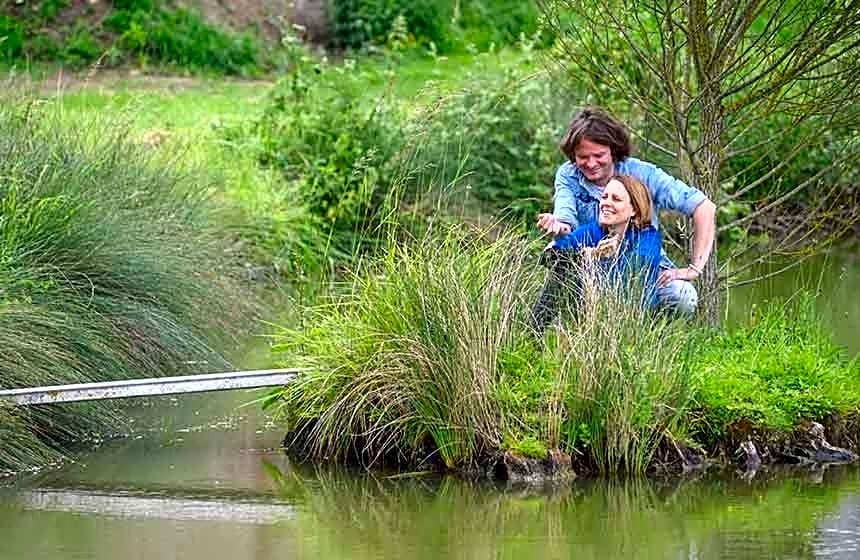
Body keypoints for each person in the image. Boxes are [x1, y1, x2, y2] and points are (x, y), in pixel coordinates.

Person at [536, 106, 716, 315]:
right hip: (590, 265)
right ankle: (540, 329)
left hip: (639, 271)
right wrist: (559, 226)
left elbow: (704, 206)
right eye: (583, 157)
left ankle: (648, 330)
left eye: (599, 155)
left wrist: (694, 269)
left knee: (682, 295)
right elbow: (565, 220)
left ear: (613, 150)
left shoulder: (643, 177)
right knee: (560, 262)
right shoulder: (569, 176)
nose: (591, 163)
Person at [530, 175, 662, 331]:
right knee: (563, 271)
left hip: (633, 320)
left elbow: (632, 280)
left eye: (616, 199)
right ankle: (533, 333)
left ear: (634, 209)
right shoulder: (595, 231)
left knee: (571, 269)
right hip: (593, 311)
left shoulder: (648, 238)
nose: (606, 203)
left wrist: (610, 258)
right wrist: (592, 254)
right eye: (604, 197)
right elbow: (549, 257)